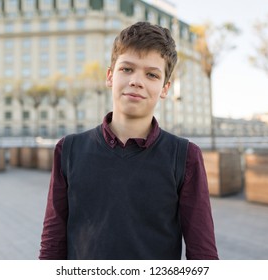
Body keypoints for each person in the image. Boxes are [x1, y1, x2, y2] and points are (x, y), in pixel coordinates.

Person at [39, 21, 218, 260]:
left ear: (165, 88)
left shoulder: (185, 156)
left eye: (152, 74)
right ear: (110, 76)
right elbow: (53, 241)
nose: (136, 81)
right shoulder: (69, 150)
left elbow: (203, 253)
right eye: (127, 69)